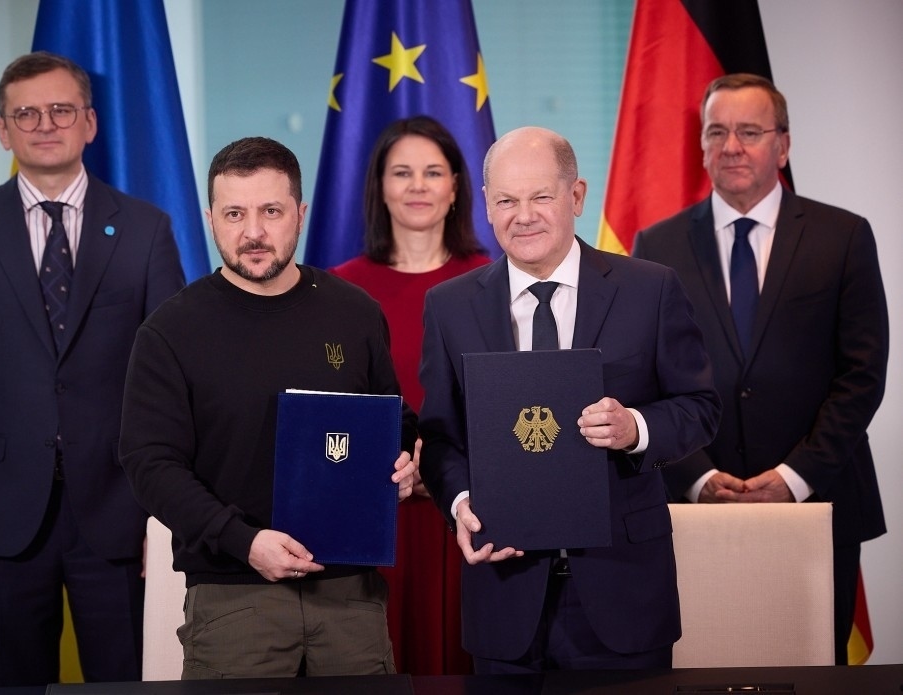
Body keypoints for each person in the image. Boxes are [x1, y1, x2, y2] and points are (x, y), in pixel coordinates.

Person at [0, 51, 186, 687]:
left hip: (121, 512)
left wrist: (165, 515)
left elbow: (171, 386)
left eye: (61, 110)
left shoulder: (146, 230)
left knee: (124, 682)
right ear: (3, 130)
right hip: (0, 515)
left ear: (89, 122)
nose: (44, 125)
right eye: (26, 113)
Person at [417, 126, 720, 673]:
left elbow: (700, 407)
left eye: (541, 197)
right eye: (506, 201)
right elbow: (440, 437)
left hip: (623, 589)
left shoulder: (650, 289)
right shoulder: (449, 307)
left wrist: (635, 428)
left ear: (576, 196)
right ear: (486, 204)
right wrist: (461, 503)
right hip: (504, 589)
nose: (523, 216)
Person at [118, 136, 419, 679]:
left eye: (271, 211)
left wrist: (405, 463)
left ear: (300, 214)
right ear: (211, 219)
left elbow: (392, 421)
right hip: (233, 597)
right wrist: (245, 542)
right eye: (234, 213)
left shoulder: (354, 312)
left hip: (350, 595)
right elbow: (151, 465)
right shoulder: (170, 331)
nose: (252, 232)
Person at [632, 73, 889, 665]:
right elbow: (643, 379)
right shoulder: (657, 246)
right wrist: (696, 476)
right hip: (692, 509)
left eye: (749, 132)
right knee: (695, 668)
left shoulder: (843, 236)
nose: (731, 147)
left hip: (818, 501)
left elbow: (862, 374)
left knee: (813, 670)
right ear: (701, 145)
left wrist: (795, 476)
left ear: (784, 145)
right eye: (716, 132)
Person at [330, 115, 489, 675]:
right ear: (379, 187)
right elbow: (332, 408)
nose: (418, 186)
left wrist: (443, 474)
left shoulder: (494, 282)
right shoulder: (338, 289)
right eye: (402, 173)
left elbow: (509, 405)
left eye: (432, 172)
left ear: (456, 187)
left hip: (471, 514)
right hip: (374, 515)